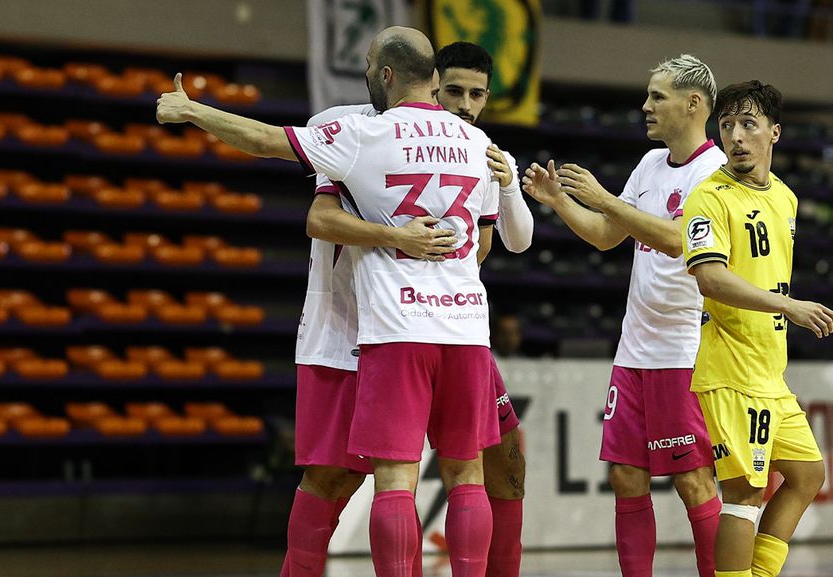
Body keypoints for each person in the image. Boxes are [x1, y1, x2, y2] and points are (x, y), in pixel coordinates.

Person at [158, 26, 501, 577]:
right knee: (427, 472)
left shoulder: (359, 135)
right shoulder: (477, 146)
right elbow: (325, 220)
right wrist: (408, 237)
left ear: (385, 74)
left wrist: (195, 111)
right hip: (421, 325)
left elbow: (266, 141)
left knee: (396, 478)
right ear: (435, 80)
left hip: (393, 326)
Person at [305, 41, 532, 577]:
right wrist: (397, 236)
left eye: (477, 94)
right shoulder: (354, 128)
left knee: (504, 456)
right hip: (361, 328)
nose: (465, 104)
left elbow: (497, 244)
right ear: (426, 83)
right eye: (452, 90)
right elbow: (320, 217)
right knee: (342, 475)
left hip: (448, 323)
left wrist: (510, 185)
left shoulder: (479, 146)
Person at [522, 55, 725, 577]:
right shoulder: (649, 165)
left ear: (693, 104)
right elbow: (609, 234)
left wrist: (607, 199)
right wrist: (561, 202)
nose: (646, 106)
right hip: (634, 349)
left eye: (658, 96)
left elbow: (680, 240)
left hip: (684, 352)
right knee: (625, 476)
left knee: (694, 482)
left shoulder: (715, 173)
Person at [682, 80, 831, 577]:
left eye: (748, 124)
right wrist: (787, 306)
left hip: (769, 373)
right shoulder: (708, 198)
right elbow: (711, 278)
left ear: (774, 132)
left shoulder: (785, 199)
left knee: (809, 475)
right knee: (745, 493)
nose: (737, 136)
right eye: (727, 126)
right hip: (731, 371)